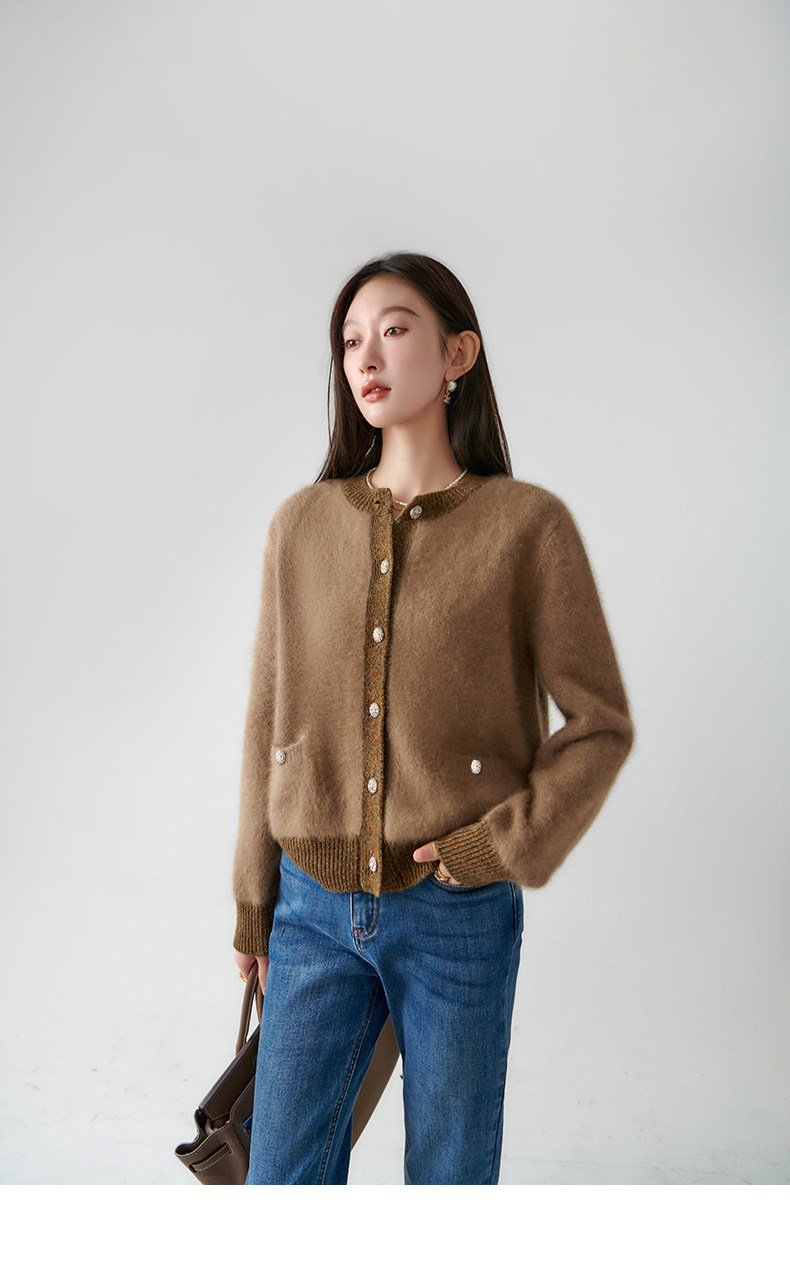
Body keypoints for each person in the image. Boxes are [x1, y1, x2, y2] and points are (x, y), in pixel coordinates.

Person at [232, 250, 635, 1184]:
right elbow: (266, 722)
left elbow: (600, 723)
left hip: (458, 913)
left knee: (450, 1181)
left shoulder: (526, 527)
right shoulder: (301, 525)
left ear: (459, 353)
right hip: (309, 911)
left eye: (394, 329)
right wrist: (255, 904)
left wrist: (496, 847)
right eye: (349, 341)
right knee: (279, 1180)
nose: (366, 357)